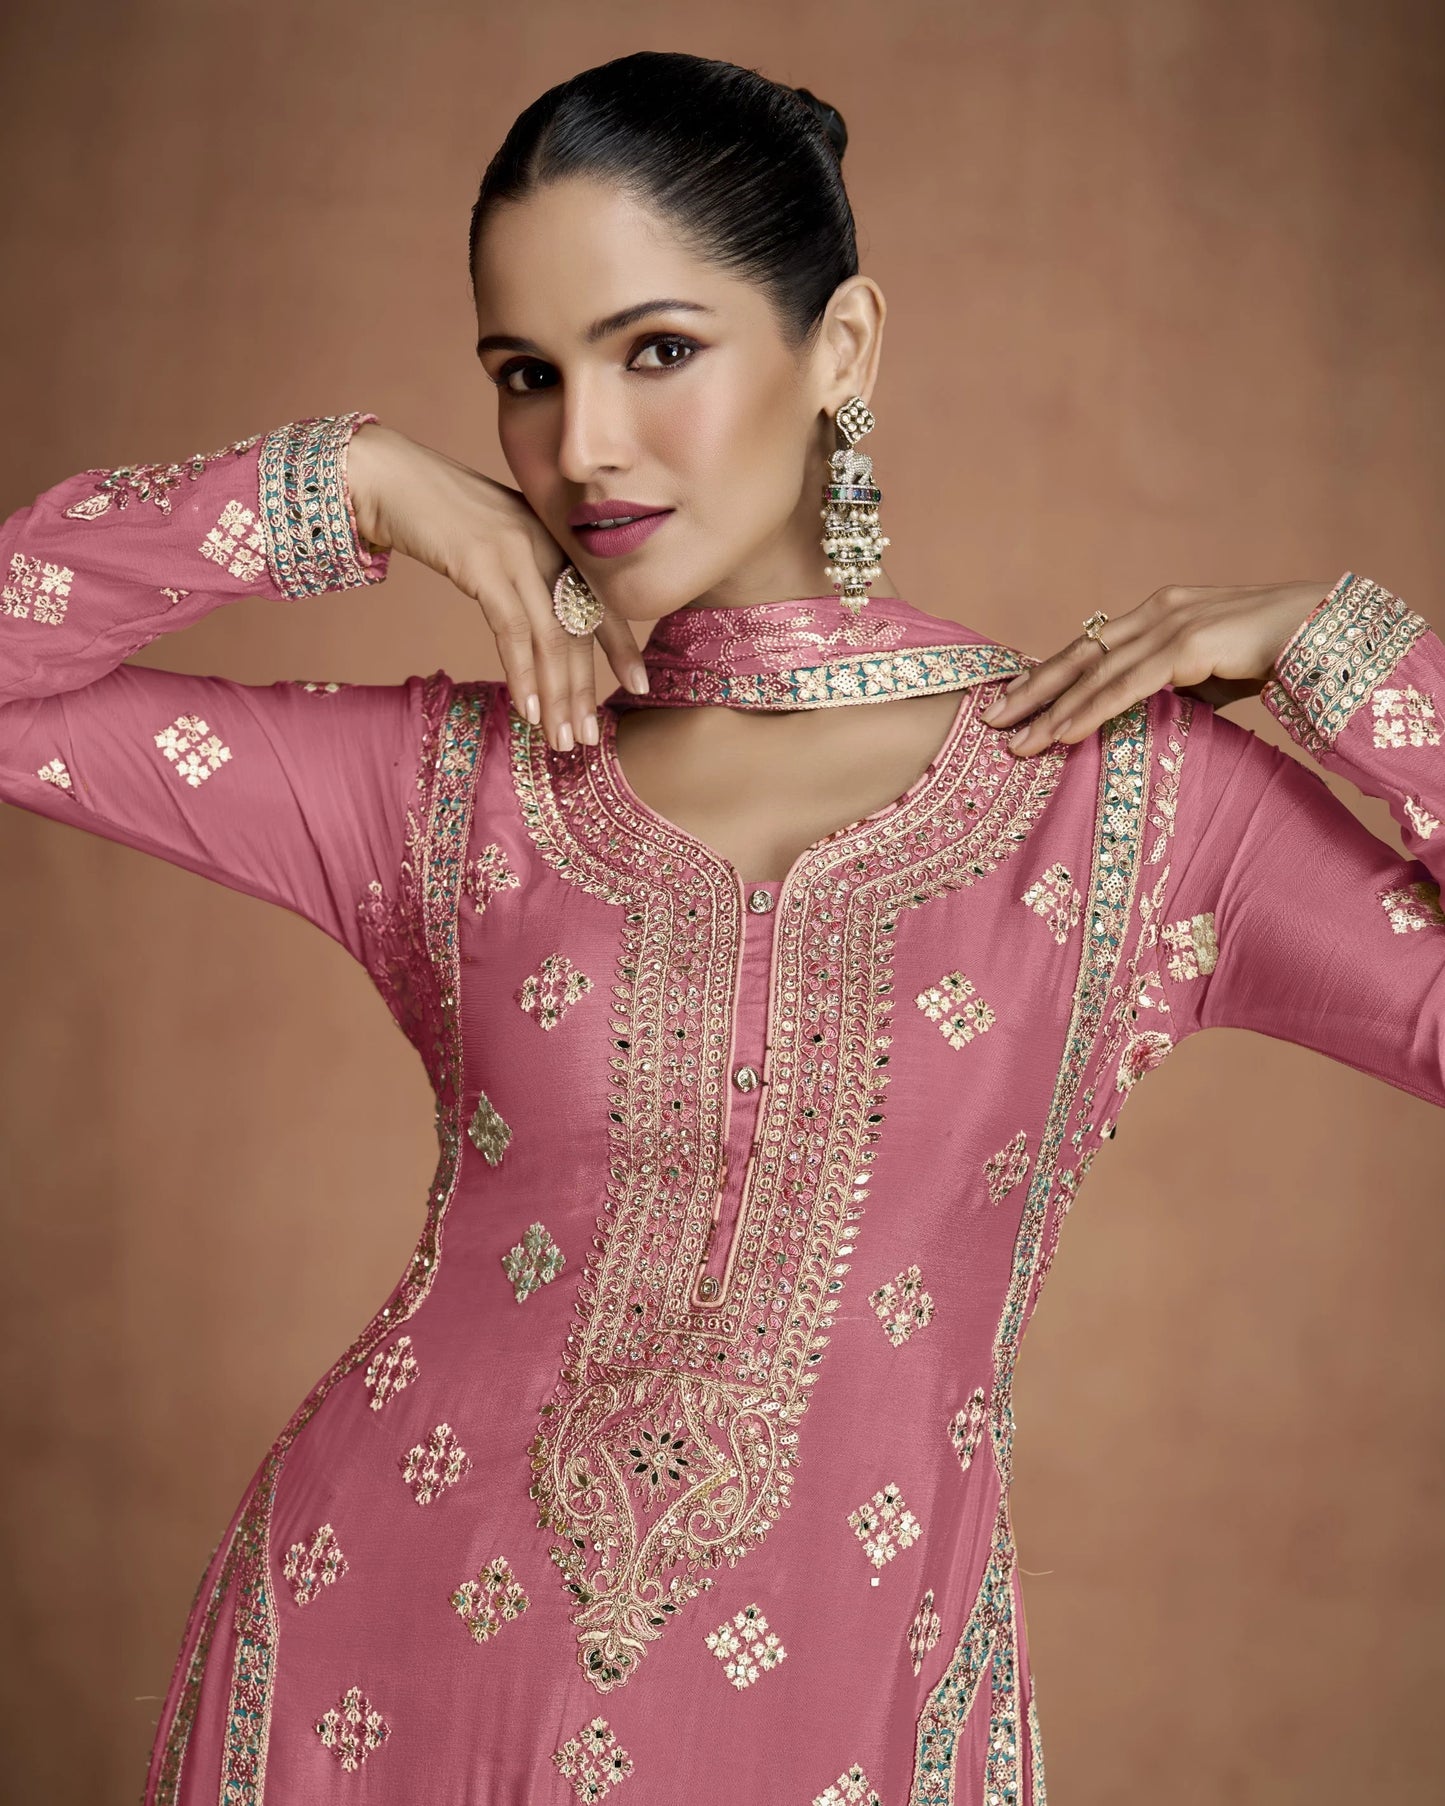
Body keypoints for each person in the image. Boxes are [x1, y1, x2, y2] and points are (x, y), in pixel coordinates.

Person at [2, 47, 1441, 1806]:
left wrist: (1356, 658)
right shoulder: (455, 783)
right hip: (368, 1678)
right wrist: (367, 484)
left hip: (829, 1722)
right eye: (523, 375)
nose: (577, 444)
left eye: (656, 350)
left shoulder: (1133, 797)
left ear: (840, 350)